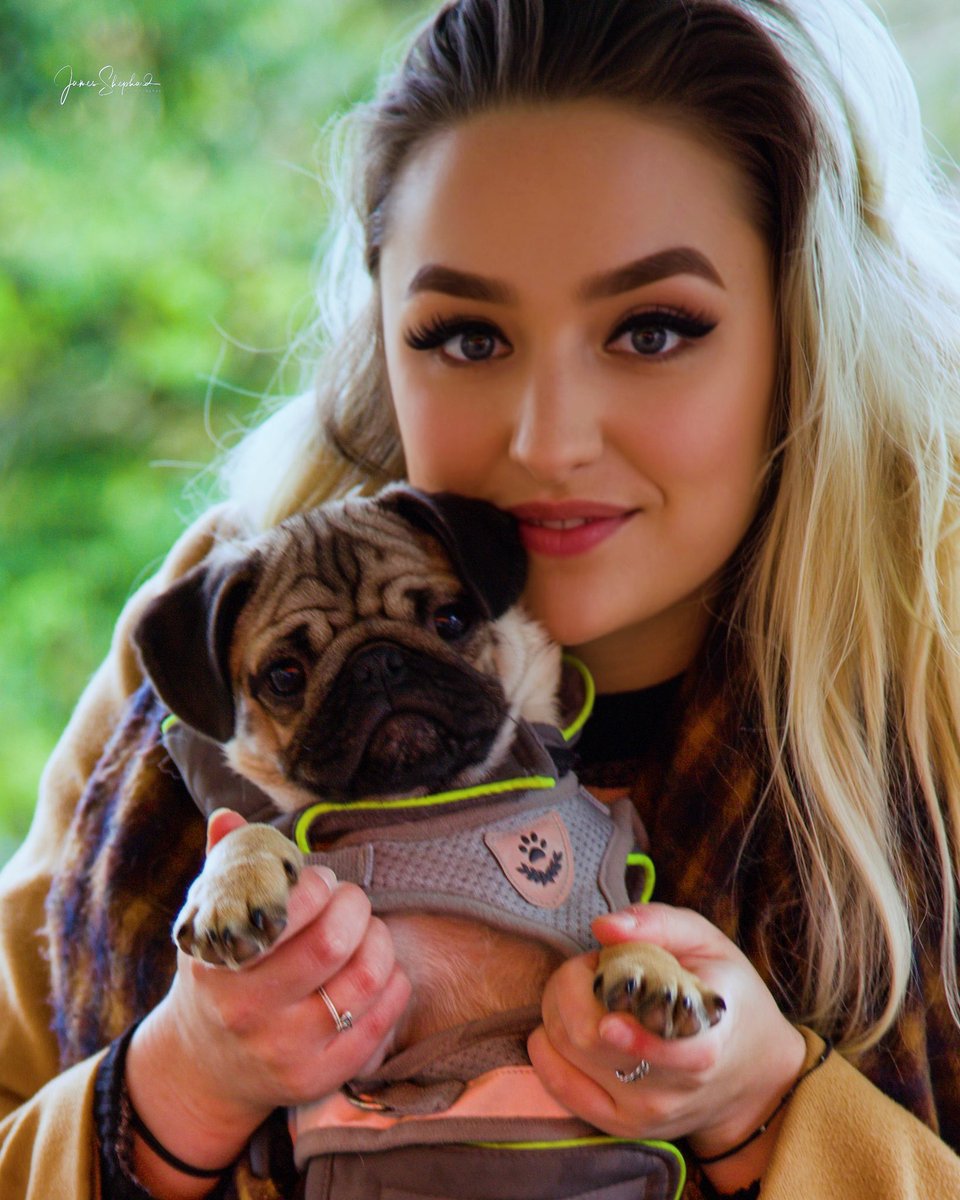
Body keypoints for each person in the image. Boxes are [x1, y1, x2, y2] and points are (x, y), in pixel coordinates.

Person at [2, 0, 959, 1197]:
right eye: (464, 336)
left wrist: (778, 1110)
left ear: (806, 327)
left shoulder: (938, 696)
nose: (549, 439)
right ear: (381, 333)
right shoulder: (200, 661)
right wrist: (171, 1092)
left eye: (653, 329)